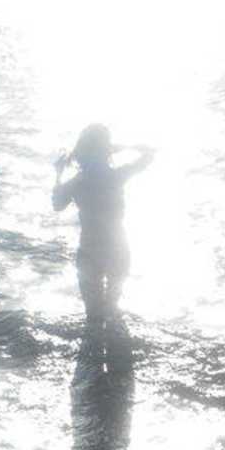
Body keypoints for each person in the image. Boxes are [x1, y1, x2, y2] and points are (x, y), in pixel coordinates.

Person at [51, 123, 154, 326]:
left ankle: (93, 345)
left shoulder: (77, 183)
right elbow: (148, 155)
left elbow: (57, 205)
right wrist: (124, 147)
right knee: (113, 312)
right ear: (106, 150)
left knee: (93, 319)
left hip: (89, 251)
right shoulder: (116, 176)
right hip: (117, 249)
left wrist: (58, 174)